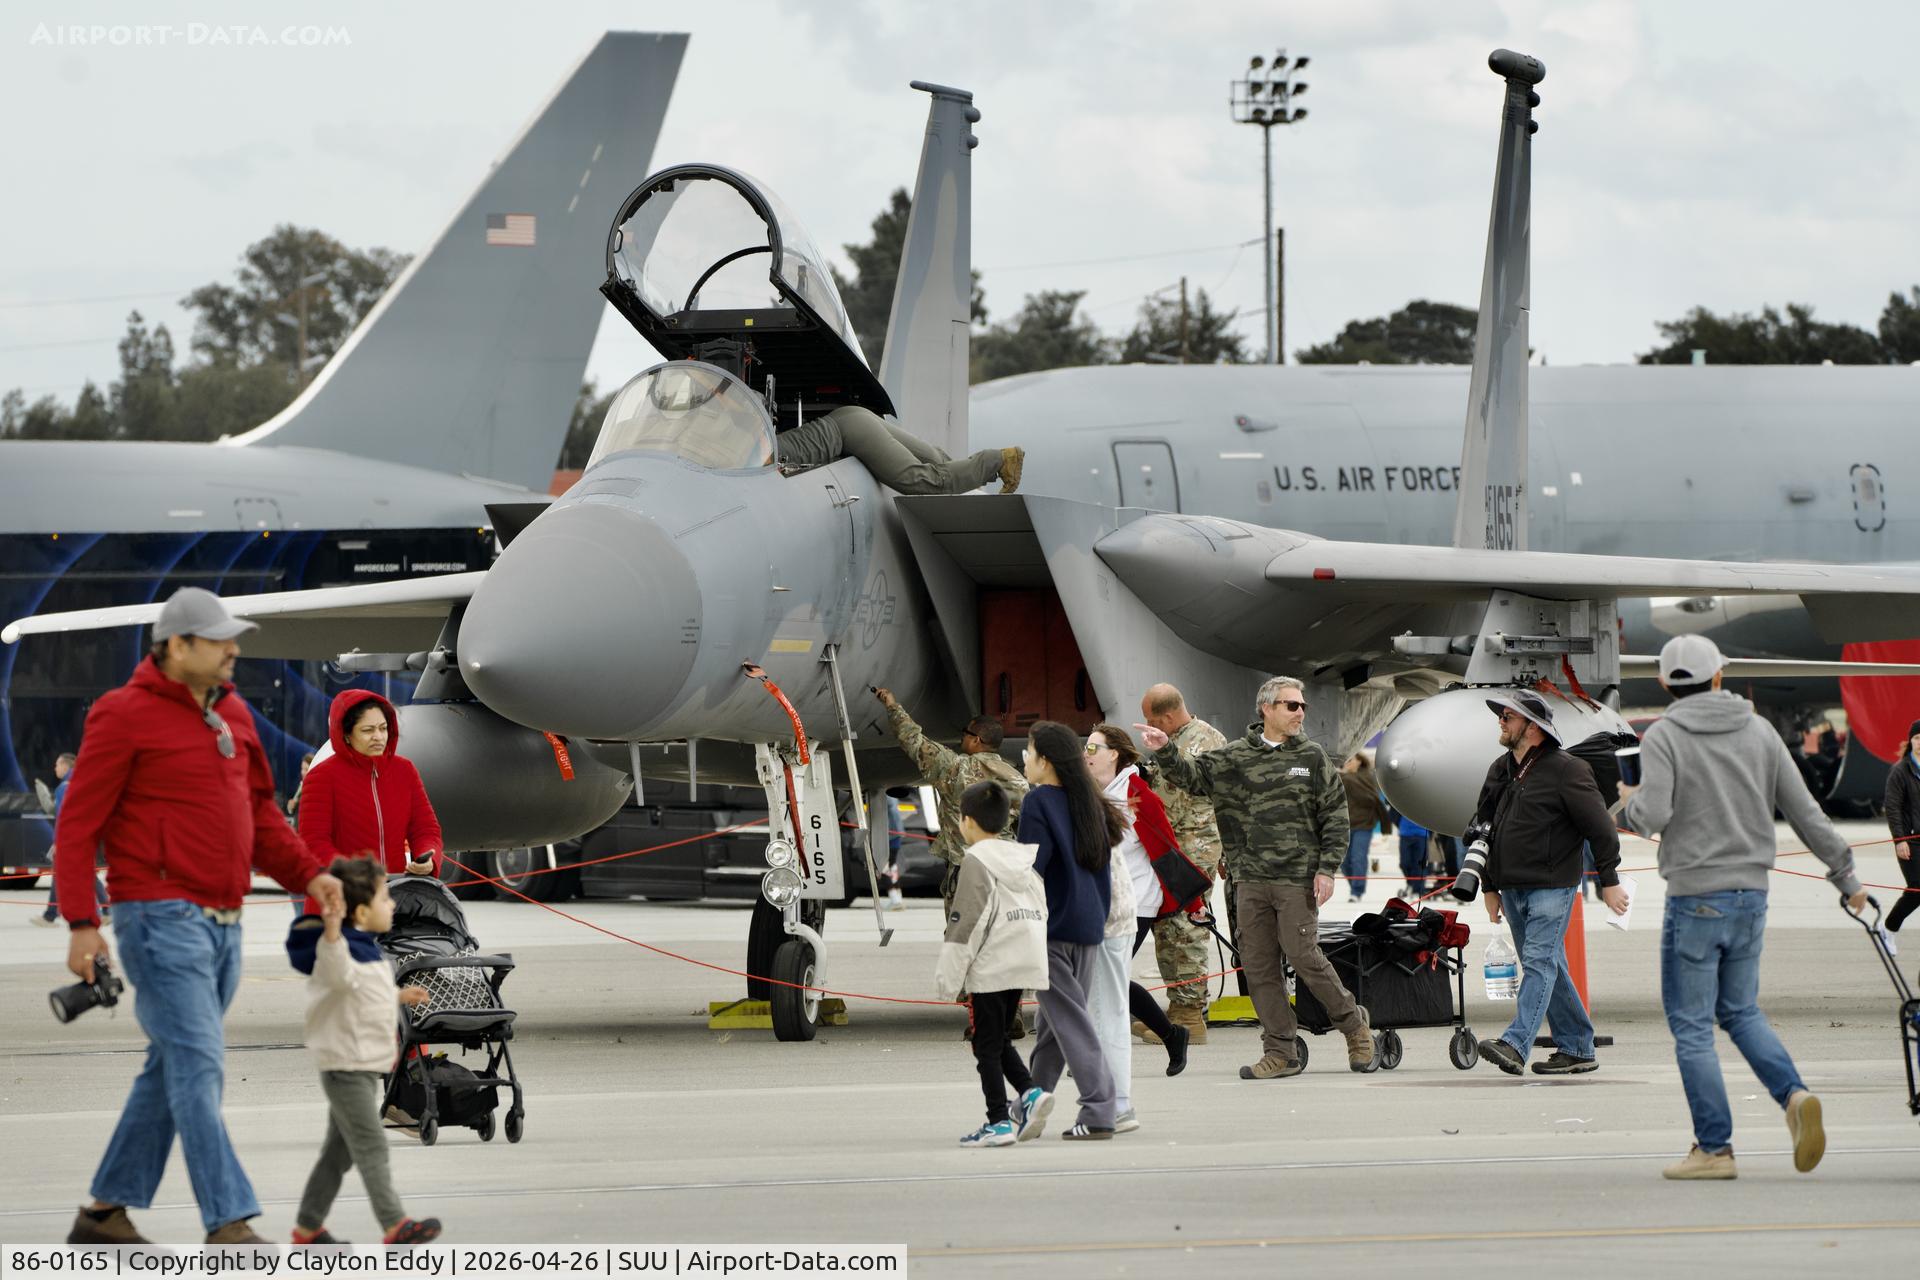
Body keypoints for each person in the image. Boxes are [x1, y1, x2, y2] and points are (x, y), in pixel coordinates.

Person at [54, 586, 344, 1246]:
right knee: (199, 1063)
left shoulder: (235, 714)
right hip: (158, 918)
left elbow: (265, 816)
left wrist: (311, 875)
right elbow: (77, 825)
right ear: (176, 646)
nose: (234, 649)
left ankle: (103, 1215)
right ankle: (229, 1221)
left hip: (224, 923)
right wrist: (80, 921)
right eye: (219, 640)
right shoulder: (121, 715)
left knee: (173, 1065)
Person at [1619, 635, 1866, 1181]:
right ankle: (1793, 1095)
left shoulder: (1664, 736)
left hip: (1695, 898)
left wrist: (1627, 805)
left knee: (1690, 1025)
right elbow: (1804, 811)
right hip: (1752, 895)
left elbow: (1653, 814)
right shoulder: (1759, 731)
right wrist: (1846, 876)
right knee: (1740, 1011)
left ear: (1664, 683)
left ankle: (1715, 1149)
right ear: (1719, 676)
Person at [1139, 676, 1378, 1079]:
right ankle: (1280, 1051)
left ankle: (1354, 1027)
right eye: (1291, 705)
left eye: (1302, 706)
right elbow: (1193, 778)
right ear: (1266, 708)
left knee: (1304, 957)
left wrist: (1326, 869)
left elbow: (1334, 815)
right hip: (1249, 878)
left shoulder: (1313, 757)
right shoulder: (1236, 756)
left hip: (1295, 878)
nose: (1300, 712)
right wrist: (1165, 752)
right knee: (1259, 966)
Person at [284, 858, 442, 1243]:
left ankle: (307, 1228)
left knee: (337, 1154)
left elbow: (359, 990)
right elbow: (338, 974)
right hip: (344, 1066)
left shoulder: (367, 949)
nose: (392, 905)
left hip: (362, 1064)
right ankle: (394, 1224)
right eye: (385, 898)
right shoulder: (337, 948)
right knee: (371, 1142)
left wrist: (398, 995)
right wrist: (333, 929)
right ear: (360, 911)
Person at [1472, 690, 1628, 1078]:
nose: (1501, 722)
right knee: (1547, 964)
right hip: (1510, 885)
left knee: (1540, 963)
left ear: (1533, 727)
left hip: (1552, 885)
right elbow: (1482, 830)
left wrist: (1609, 880)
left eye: (1508, 716)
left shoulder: (1567, 769)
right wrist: (1488, 886)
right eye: (1502, 716)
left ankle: (1515, 1043)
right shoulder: (1499, 769)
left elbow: (1601, 829)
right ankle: (1577, 1047)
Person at [1015, 720, 1127, 1140]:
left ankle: (1100, 1108)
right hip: (1087, 925)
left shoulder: (1039, 801)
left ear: (1045, 761)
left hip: (1051, 927)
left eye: (1028, 752)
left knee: (1070, 1023)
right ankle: (1027, 1105)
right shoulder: (1091, 801)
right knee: (1054, 1028)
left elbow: (1031, 870)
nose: (1024, 760)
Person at [934, 782, 1050, 1147]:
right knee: (997, 1038)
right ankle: (1030, 1093)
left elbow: (966, 921)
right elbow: (1041, 905)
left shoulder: (976, 860)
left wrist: (948, 979)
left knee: (984, 1046)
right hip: (1024, 956)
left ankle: (998, 1121)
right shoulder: (1021, 858)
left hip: (992, 964)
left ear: (965, 821)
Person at [1085, 724, 1191, 1091]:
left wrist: (1192, 902)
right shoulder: (1097, 793)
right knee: (1105, 978)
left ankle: (1098, 1058)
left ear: (1114, 754)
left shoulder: (1137, 794)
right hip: (1103, 899)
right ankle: (1170, 1034)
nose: (1087, 753)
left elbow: (1167, 847)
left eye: (1094, 748)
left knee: (1105, 977)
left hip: (1135, 902)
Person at [873, 689, 1027, 911]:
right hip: (1004, 872)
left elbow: (913, 739)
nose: (961, 736)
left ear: (977, 740)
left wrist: (891, 705)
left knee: (963, 938)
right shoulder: (1017, 780)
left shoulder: (956, 769)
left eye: (966, 732)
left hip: (968, 872)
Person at [1137, 683, 1230, 1039]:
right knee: (1168, 930)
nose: (1150, 724)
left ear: (1169, 715)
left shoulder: (1205, 741)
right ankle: (1176, 1011)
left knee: (1186, 930)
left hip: (1195, 848)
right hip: (1172, 848)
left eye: (1153, 719)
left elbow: (1214, 793)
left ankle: (1190, 1016)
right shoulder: (1172, 741)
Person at [297, 690, 444, 913]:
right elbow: (314, 844)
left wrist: (429, 858)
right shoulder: (321, 777)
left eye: (383, 728)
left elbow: (426, 829)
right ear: (345, 734)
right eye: (367, 730)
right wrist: (356, 874)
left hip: (390, 903)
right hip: (337, 906)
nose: (378, 736)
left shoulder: (405, 771)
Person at [779, 403, 1023, 495]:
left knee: (921, 480)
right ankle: (981, 476)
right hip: (852, 415)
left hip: (852, 432)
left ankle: (998, 460)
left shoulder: (751, 452)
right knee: (937, 461)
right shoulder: (747, 438)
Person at [34, 752, 108, 928]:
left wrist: (59, 842)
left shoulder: (63, 787)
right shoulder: (82, 783)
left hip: (69, 840)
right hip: (85, 837)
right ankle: (104, 910)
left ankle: (51, 916)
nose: (55, 768)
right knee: (80, 874)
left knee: (65, 874)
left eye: (57, 765)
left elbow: (64, 817)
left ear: (65, 766)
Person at [1882, 717, 1920, 947]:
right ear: (1910, 741)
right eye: (1917, 738)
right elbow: (1893, 807)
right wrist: (1900, 839)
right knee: (1917, 890)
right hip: (1910, 841)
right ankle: (1888, 928)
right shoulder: (1900, 771)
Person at [1339, 751, 1390, 902]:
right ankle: (1355, 885)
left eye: (1350, 760)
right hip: (1345, 826)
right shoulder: (1343, 779)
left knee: (1358, 857)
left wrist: (1343, 775)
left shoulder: (1366, 777)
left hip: (1364, 824)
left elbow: (1371, 798)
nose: (1347, 763)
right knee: (1344, 861)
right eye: (1346, 761)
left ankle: (1356, 891)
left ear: (1359, 762)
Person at [1395, 805, 1431, 899]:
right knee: (1404, 863)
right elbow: (1393, 812)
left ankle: (1417, 890)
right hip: (1405, 832)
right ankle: (1411, 883)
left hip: (1422, 834)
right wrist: (1398, 824)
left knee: (1420, 864)